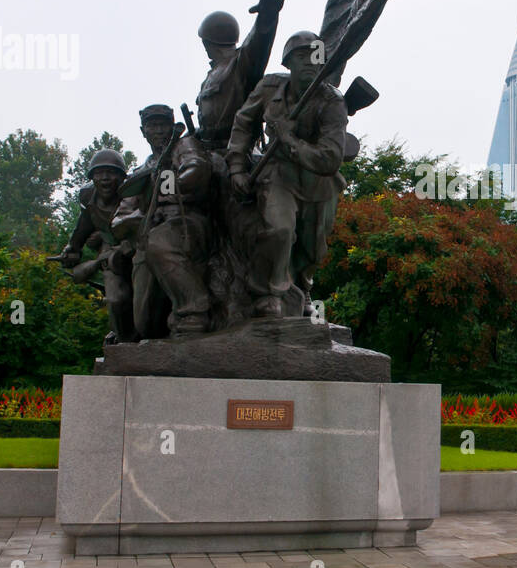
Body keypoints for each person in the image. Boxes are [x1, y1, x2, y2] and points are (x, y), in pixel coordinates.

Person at [226, 31, 347, 318]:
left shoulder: (332, 102)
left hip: (318, 182)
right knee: (279, 230)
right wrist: (236, 167)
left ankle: (303, 286)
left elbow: (330, 159)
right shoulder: (270, 87)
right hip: (277, 173)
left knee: (313, 248)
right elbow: (243, 123)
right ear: (288, 62)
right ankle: (271, 293)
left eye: (315, 56)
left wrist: (290, 140)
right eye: (301, 56)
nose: (309, 62)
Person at [113, 104, 214, 337]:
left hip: (186, 221)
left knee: (159, 242)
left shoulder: (183, 146)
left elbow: (196, 167)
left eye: (163, 125)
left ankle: (194, 311)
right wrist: (133, 221)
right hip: (146, 234)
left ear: (172, 126)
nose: (158, 130)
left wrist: (178, 183)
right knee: (144, 325)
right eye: (152, 125)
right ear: (143, 131)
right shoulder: (140, 172)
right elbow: (120, 219)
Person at [53, 148, 135, 343]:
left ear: (122, 177)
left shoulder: (132, 195)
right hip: (110, 253)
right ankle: (124, 339)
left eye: (111, 173)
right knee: (116, 300)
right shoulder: (89, 198)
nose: (105, 178)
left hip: (135, 248)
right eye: (99, 173)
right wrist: (72, 248)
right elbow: (83, 226)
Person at [194, 0, 285, 149]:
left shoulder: (239, 64)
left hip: (238, 149)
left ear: (205, 43)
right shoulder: (210, 76)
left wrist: (267, 17)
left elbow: (257, 45)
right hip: (207, 149)